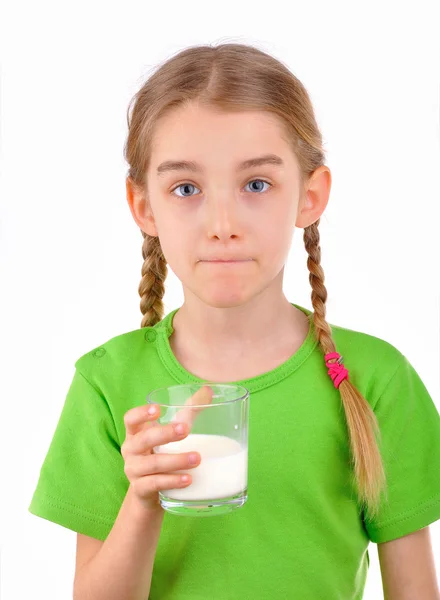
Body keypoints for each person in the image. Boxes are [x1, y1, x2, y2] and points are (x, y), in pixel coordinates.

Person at [28, 42, 440, 600]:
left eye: (256, 185)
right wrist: (143, 500)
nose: (222, 224)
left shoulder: (377, 378)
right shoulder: (106, 383)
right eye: (186, 189)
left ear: (310, 196)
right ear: (144, 205)